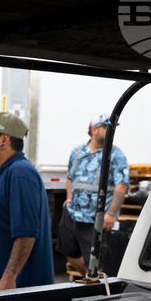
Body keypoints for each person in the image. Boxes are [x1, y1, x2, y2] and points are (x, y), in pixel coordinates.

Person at [0, 112, 55, 291]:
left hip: (20, 293)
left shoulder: (20, 174)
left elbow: (26, 233)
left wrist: (9, 276)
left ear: (4, 141)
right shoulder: (8, 174)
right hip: (9, 291)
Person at [59, 114, 130, 274]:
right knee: (68, 252)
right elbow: (70, 177)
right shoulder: (77, 152)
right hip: (72, 214)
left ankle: (97, 290)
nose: (110, 131)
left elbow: (122, 184)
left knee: (96, 262)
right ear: (93, 130)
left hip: (95, 219)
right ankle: (90, 281)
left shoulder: (115, 154)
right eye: (106, 128)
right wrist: (69, 198)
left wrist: (111, 213)